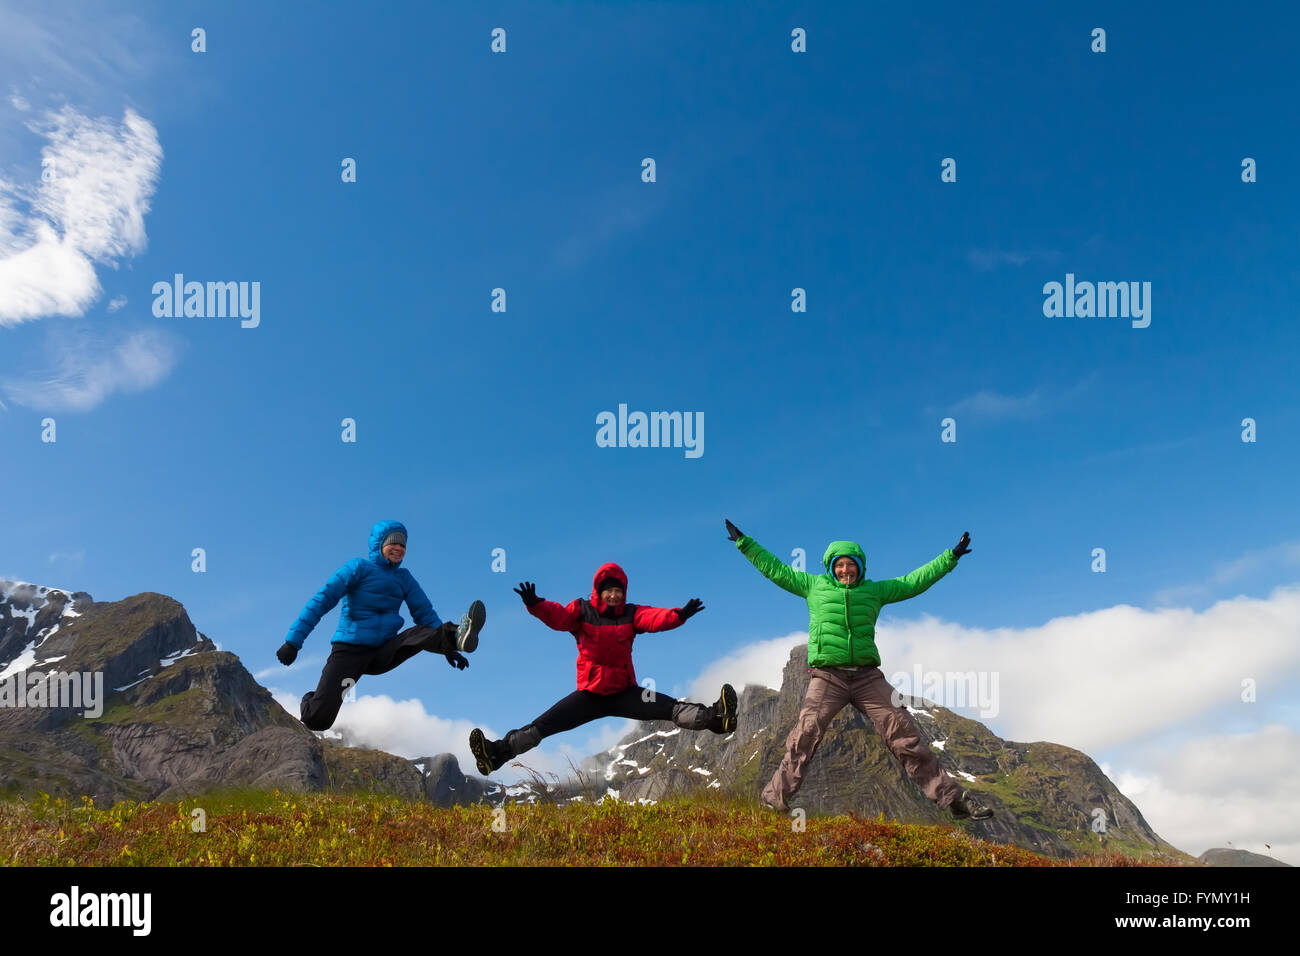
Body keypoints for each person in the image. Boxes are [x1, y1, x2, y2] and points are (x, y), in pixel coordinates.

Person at [725, 518, 992, 821]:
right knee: (806, 733)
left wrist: (950, 557)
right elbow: (776, 570)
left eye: (850, 565)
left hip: (867, 677)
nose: (845, 570)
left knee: (903, 731)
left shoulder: (875, 592)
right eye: (839, 565)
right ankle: (775, 799)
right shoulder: (813, 586)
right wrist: (744, 543)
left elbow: (914, 581)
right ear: (830, 568)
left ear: (860, 567)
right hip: (828, 677)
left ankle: (953, 799)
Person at [469, 561, 737, 775]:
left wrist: (679, 615)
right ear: (598, 590)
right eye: (608, 590)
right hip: (590, 695)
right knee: (541, 727)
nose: (613, 594)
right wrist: (535, 604)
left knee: (671, 708)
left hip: (625, 693)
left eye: (618, 591)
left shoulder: (631, 613)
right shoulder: (582, 611)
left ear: (624, 593)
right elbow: (559, 617)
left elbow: (654, 618)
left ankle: (719, 720)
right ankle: (496, 755)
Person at [277, 519, 485, 731]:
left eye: (403, 545)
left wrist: (447, 645)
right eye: (393, 543)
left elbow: (425, 614)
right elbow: (321, 601)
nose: (398, 548)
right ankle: (311, 699)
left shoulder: (404, 578)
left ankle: (458, 636)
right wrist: (293, 642)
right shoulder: (358, 568)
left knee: (422, 632)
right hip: (350, 652)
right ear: (379, 544)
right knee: (317, 720)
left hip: (384, 651)